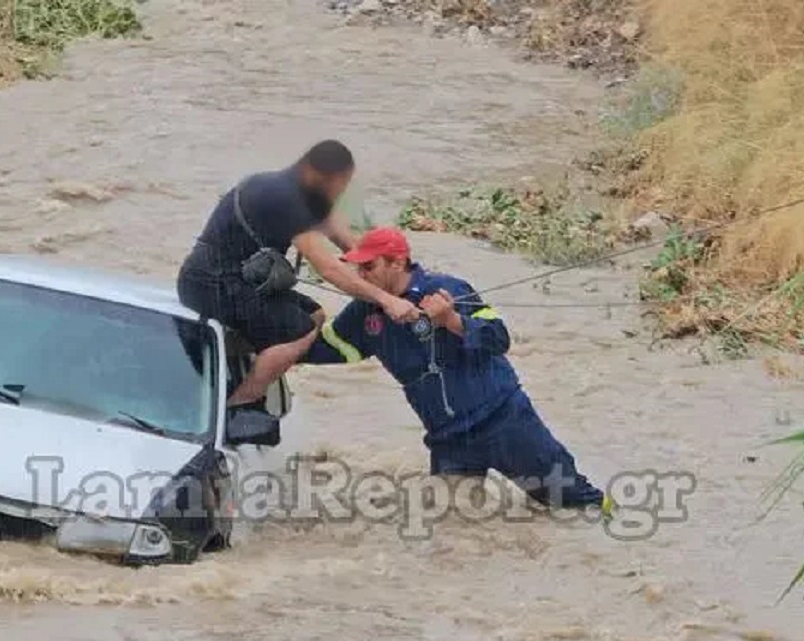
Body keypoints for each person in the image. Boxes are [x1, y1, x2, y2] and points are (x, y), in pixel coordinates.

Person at [299, 226, 610, 513]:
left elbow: (499, 338)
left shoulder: (447, 288)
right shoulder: (364, 312)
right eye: (357, 268)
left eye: (369, 267)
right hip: (449, 441)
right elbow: (329, 348)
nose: (361, 275)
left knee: (575, 503)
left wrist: (453, 322)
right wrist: (275, 334)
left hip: (505, 422)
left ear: (397, 262)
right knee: (453, 532)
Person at [177, 140, 420, 407]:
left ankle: (240, 359)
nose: (344, 192)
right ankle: (240, 403)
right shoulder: (287, 200)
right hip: (211, 283)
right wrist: (387, 300)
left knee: (314, 315)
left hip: (238, 280)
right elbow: (328, 268)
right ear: (323, 176)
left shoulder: (294, 188)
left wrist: (382, 266)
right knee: (298, 332)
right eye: (343, 184)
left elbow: (346, 241)